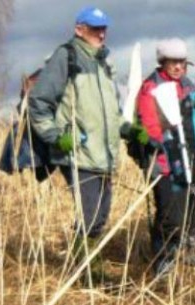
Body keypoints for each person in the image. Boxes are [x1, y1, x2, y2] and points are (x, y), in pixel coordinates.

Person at [28, 6, 147, 283]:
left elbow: (110, 115)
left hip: (103, 154)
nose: (102, 34)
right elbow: (39, 102)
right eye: (95, 29)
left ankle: (87, 266)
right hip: (78, 151)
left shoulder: (103, 64)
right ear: (79, 29)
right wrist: (56, 135)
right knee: (91, 215)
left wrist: (128, 129)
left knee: (100, 214)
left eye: (104, 28)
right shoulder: (66, 57)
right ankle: (87, 273)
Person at [136, 38, 195, 277]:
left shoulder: (188, 86)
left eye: (182, 63)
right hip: (164, 163)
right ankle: (164, 264)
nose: (178, 67)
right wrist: (166, 141)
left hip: (189, 163)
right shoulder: (150, 88)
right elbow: (150, 125)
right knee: (169, 216)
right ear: (162, 63)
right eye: (173, 63)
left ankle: (191, 257)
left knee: (191, 213)